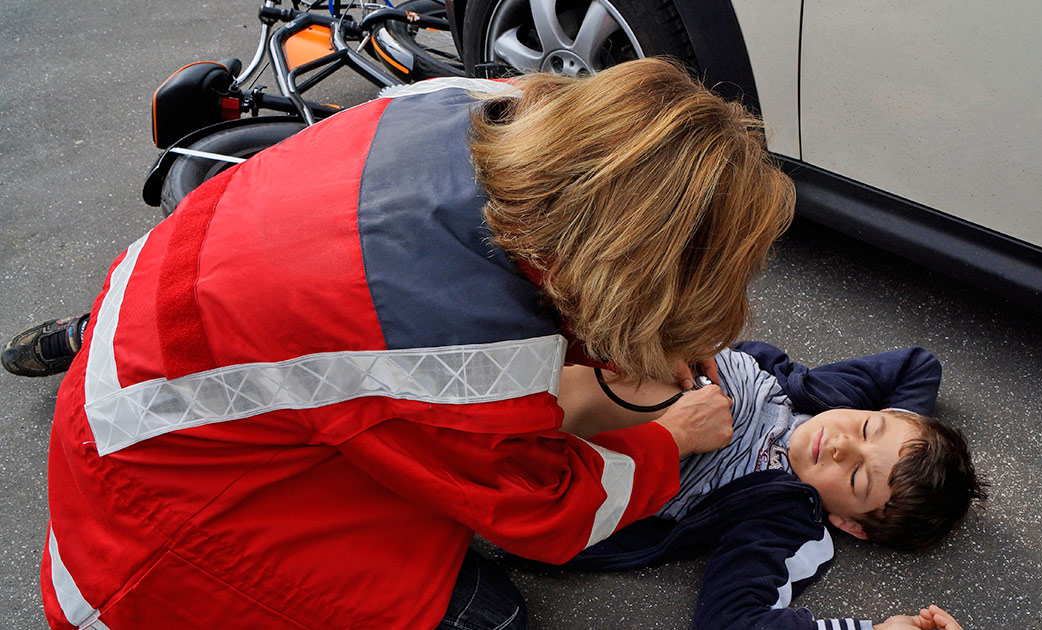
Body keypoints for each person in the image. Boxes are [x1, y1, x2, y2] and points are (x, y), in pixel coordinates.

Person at [27, 58, 795, 630]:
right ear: (611, 270)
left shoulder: (483, 105)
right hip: (153, 535)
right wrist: (665, 439)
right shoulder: (454, 353)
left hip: (170, 324)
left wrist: (635, 334)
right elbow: (546, 511)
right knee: (487, 615)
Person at [552, 341, 987, 629]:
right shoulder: (823, 399)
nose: (840, 444)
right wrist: (904, 438)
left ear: (850, 524)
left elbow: (731, 622)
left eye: (857, 477)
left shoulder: (781, 520)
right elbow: (918, 364)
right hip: (618, 345)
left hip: (571, 447)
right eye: (868, 428)